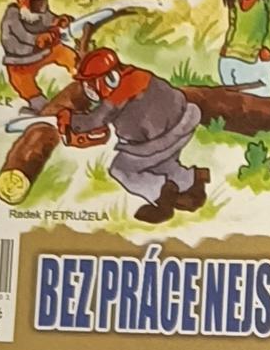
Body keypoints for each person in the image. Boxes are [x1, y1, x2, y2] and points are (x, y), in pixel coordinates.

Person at [68, 48, 207, 223]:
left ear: (110, 78)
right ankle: (192, 184)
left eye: (90, 83)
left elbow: (96, 120)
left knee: (121, 169)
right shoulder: (138, 75)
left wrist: (68, 119)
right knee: (162, 164)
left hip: (160, 140)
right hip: (183, 124)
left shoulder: (121, 91)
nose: (88, 88)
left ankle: (161, 197)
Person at [0, 0, 78, 123]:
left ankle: (82, 73)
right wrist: (36, 39)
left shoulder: (41, 12)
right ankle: (39, 104)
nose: (40, 7)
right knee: (21, 81)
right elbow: (21, 34)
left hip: (44, 53)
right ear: (22, 0)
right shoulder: (12, 15)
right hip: (21, 60)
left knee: (64, 53)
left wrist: (59, 21)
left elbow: (49, 19)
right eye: (36, 3)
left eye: (42, 3)